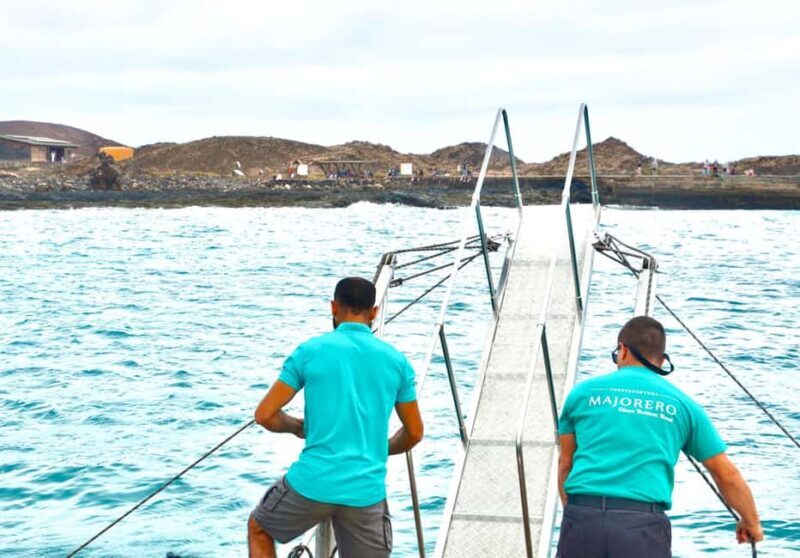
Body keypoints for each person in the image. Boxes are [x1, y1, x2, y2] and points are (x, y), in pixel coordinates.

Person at [556, 316, 762, 558]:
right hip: (642, 527)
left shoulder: (582, 393)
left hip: (582, 518)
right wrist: (751, 522)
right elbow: (725, 474)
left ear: (622, 350)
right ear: (662, 360)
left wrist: (576, 515)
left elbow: (566, 464)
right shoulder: (684, 405)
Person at [248, 277, 424, 558]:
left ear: (333, 307)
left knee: (259, 527)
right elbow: (414, 433)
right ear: (374, 312)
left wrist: (296, 427)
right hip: (365, 492)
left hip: (312, 484)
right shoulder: (397, 361)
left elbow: (265, 414)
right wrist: (382, 447)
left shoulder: (309, 352)